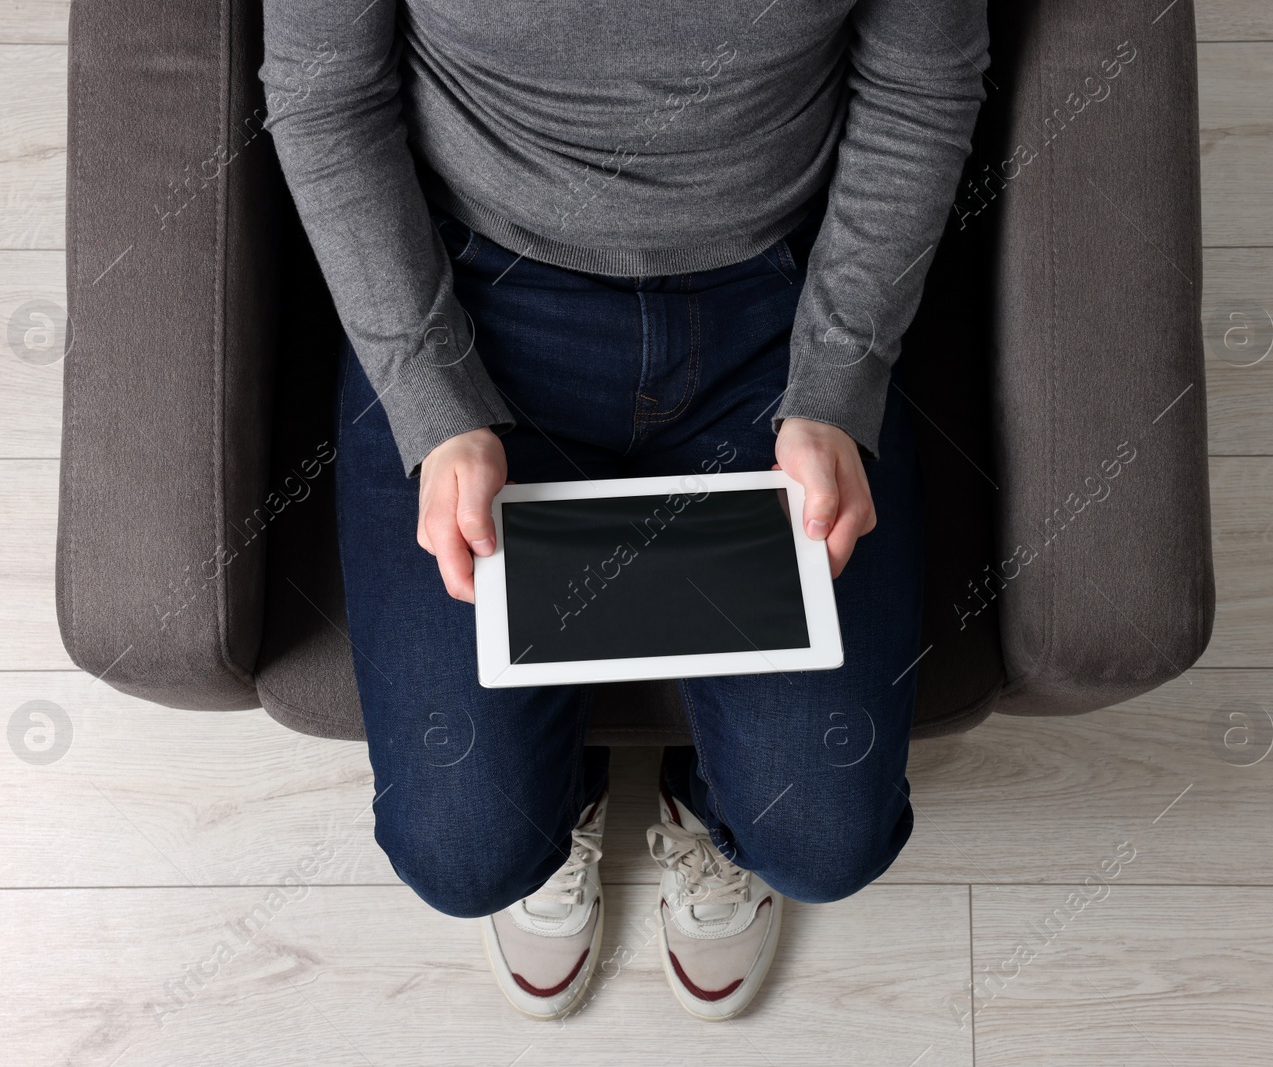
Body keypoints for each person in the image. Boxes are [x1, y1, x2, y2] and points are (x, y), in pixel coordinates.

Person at [261, 0, 988, 1021]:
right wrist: (433, 395)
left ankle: (709, 801)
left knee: (822, 842)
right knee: (468, 855)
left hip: (777, 310)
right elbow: (325, 91)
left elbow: (922, 85)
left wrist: (835, 376)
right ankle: (566, 793)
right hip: (478, 299)